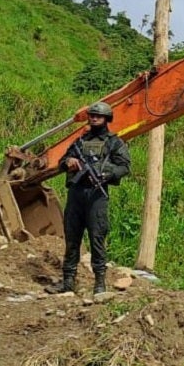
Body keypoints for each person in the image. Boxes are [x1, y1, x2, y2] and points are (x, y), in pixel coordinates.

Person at [46, 101, 131, 295]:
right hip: (76, 194)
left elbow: (125, 167)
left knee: (97, 237)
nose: (94, 119)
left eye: (98, 116)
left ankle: (99, 283)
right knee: (72, 238)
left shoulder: (114, 142)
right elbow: (61, 163)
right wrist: (69, 162)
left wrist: (108, 172)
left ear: (106, 119)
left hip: (96, 196)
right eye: (92, 116)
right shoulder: (80, 142)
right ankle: (68, 281)